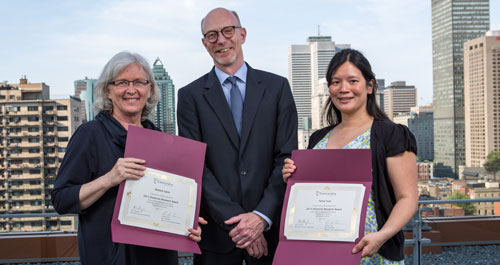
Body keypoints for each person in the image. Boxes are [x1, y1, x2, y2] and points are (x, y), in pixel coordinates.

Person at [51, 51, 206, 265]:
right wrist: (110, 178)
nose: (131, 90)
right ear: (108, 90)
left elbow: (169, 200)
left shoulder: (162, 139)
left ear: (149, 89)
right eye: (122, 82)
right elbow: (61, 200)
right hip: (110, 258)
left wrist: (185, 223)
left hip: (159, 258)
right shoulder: (91, 134)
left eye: (140, 83)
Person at [177, 7, 298, 265]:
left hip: (271, 235)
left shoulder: (277, 88)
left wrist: (261, 217)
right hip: (218, 240)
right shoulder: (190, 97)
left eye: (228, 31)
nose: (221, 40)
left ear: (242, 34)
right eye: (211, 35)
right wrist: (239, 225)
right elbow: (196, 167)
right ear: (204, 43)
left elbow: (286, 158)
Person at [282, 49, 418, 264]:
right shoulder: (317, 138)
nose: (343, 89)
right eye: (336, 82)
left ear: (370, 86)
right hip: (322, 253)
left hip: (373, 254)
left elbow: (408, 198)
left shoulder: (391, 134)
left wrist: (382, 236)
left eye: (352, 80)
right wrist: (292, 179)